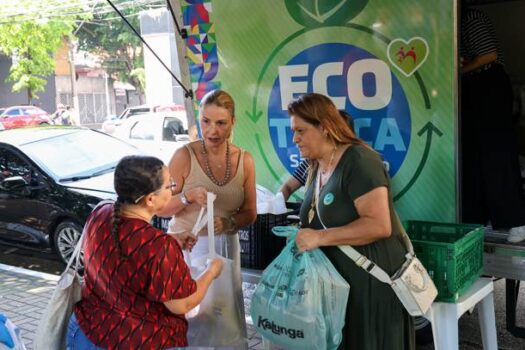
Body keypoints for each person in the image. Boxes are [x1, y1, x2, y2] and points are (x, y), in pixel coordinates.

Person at [289, 93, 415, 350]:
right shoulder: (317, 165)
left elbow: (379, 225)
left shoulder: (359, 160)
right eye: (293, 131)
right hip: (339, 287)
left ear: (324, 127)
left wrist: (319, 238)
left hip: (369, 285)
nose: (295, 139)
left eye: (301, 130)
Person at [67, 155, 224, 349]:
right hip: (138, 340)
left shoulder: (101, 212)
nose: (172, 189)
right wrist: (211, 272)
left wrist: (173, 238)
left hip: (85, 332)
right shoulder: (159, 246)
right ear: (150, 199)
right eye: (169, 186)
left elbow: (124, 250)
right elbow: (181, 304)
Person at [158, 89, 257, 348]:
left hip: (225, 248)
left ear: (233, 122)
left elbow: (250, 212)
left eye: (220, 123)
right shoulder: (184, 156)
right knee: (190, 318)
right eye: (205, 121)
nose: (212, 130)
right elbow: (158, 208)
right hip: (186, 250)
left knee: (225, 319)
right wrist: (186, 197)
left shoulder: (244, 160)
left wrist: (229, 224)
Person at [461, 5, 525, 242]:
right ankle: (486, 217)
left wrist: (460, 70)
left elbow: (489, 55)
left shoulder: (472, 17)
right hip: (474, 89)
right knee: (475, 158)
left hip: (488, 86)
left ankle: (516, 220)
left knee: (496, 153)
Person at [279, 110, 354, 201]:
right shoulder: (311, 162)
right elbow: (288, 187)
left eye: (301, 131)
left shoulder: (355, 167)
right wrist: (276, 206)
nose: (295, 139)